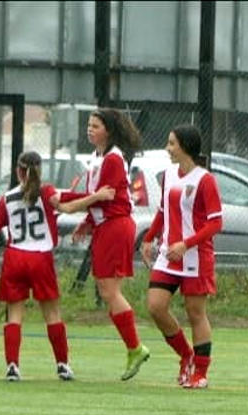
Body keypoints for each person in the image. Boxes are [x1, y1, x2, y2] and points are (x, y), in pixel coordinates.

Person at [0, 151, 115, 381]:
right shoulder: (47, 192)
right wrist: (97, 196)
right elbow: (69, 206)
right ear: (39, 170)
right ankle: (62, 364)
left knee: (14, 314)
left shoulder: (7, 197)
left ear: (18, 171)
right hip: (40, 257)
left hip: (15, 256)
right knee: (52, 314)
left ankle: (12, 366)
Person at [60, 108, 150, 381]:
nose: (90, 129)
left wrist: (70, 203)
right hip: (105, 225)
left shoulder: (112, 159)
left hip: (115, 225)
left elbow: (106, 196)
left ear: (108, 131)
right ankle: (133, 348)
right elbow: (97, 197)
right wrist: (87, 221)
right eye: (89, 125)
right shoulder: (98, 157)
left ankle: (136, 347)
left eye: (96, 126)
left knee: (109, 291)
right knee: (108, 291)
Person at [141, 126, 222, 389]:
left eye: (172, 143)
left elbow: (215, 223)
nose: (168, 148)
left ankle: (200, 373)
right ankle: (186, 355)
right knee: (155, 306)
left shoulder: (205, 180)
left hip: (195, 256)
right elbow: (163, 211)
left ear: (185, 147)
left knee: (195, 313)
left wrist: (186, 245)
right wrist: (148, 238)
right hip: (169, 255)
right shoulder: (168, 175)